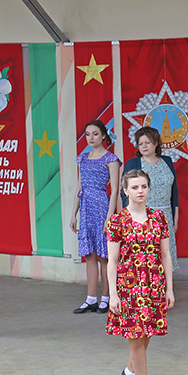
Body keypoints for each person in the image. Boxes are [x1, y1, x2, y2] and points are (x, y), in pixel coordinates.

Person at [107, 169, 175, 375]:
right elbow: (112, 261)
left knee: (147, 334)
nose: (140, 191)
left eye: (143, 186)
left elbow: (165, 255)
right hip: (129, 288)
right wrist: (113, 294)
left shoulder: (159, 218)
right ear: (125, 191)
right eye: (134, 187)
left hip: (154, 285)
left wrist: (169, 288)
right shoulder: (117, 221)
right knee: (135, 338)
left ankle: (129, 370)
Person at [70, 120, 121, 314]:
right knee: (89, 254)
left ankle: (106, 298)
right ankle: (91, 298)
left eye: (95, 134)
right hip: (86, 209)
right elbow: (79, 186)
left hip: (101, 207)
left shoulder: (111, 159)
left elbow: (115, 190)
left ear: (104, 135)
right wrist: (74, 213)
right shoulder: (82, 158)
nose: (91, 138)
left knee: (104, 256)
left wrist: (109, 217)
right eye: (87, 134)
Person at [121, 126, 179, 270]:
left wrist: (175, 217)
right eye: (140, 143)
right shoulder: (134, 163)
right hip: (142, 216)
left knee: (165, 254)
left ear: (156, 143)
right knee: (145, 255)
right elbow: (125, 192)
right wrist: (130, 217)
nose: (144, 146)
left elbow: (174, 191)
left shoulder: (167, 161)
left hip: (165, 215)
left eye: (147, 142)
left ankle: (165, 284)